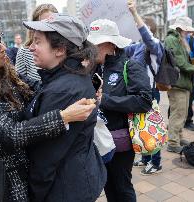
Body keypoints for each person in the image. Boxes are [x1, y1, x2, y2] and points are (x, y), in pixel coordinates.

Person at [0, 18, 96, 201]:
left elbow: (38, 89)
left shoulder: (2, 72)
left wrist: (82, 79)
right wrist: (62, 117)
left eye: (0, 39)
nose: (4, 48)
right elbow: (10, 133)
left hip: (16, 179)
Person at [23, 13, 106, 202]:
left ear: (59, 50)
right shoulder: (68, 76)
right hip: (75, 179)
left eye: (37, 41)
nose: (31, 47)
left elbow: (45, 157)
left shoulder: (62, 91)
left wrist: (34, 194)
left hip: (63, 189)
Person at [88, 18, 153, 202]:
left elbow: (144, 100)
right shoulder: (93, 68)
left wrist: (104, 100)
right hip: (99, 139)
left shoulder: (130, 66)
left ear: (110, 44)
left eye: (95, 45)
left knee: (122, 186)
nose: (91, 50)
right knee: (108, 185)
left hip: (121, 141)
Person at [126, 0, 164, 175]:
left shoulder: (155, 45)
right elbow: (122, 49)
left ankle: (156, 163)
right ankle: (145, 158)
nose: (136, 28)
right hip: (138, 93)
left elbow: (146, 36)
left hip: (150, 93)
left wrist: (135, 13)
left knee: (151, 128)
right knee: (140, 126)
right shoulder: (138, 46)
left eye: (139, 26)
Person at [164, 16, 194, 153]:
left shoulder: (176, 39)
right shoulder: (173, 40)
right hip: (178, 83)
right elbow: (180, 63)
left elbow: (182, 62)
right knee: (178, 114)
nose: (189, 33)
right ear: (182, 29)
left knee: (181, 114)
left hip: (182, 83)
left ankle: (178, 138)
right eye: (187, 31)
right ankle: (173, 142)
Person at [15, 4, 58, 80]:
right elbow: (19, 82)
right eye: (41, 24)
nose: (45, 29)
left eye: (49, 24)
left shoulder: (62, 49)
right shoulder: (24, 52)